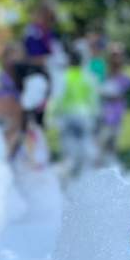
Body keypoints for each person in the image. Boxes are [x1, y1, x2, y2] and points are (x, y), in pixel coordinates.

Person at [49, 47, 100, 178]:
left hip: (68, 116)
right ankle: (82, 174)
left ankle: (70, 176)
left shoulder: (64, 76)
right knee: (84, 145)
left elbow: (57, 98)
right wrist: (96, 115)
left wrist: (52, 115)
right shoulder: (88, 76)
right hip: (85, 115)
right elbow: (93, 98)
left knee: (68, 148)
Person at [96, 43, 130, 166]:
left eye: (118, 55)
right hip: (103, 113)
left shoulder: (124, 74)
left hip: (116, 113)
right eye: (114, 55)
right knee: (100, 142)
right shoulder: (103, 72)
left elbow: (124, 89)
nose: (116, 58)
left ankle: (111, 166)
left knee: (113, 143)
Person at [22, 0, 59, 68]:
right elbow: (33, 59)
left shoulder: (50, 33)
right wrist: (51, 60)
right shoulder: (32, 33)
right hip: (35, 71)